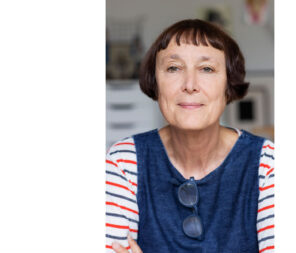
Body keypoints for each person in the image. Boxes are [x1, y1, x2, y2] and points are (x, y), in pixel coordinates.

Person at [106, 19, 274, 253]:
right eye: (174, 68)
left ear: (229, 83)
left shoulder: (267, 164)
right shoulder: (123, 161)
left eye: (207, 69)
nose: (190, 85)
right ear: (155, 82)